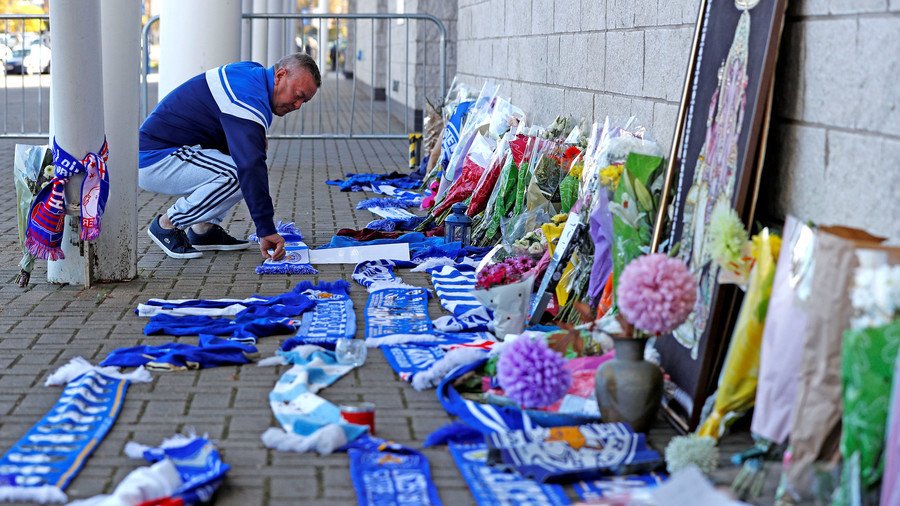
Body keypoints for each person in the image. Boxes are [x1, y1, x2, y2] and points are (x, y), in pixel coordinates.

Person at [138, 53, 321, 260]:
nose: (297, 105)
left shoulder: (253, 74)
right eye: (298, 95)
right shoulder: (248, 96)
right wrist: (266, 228)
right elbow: (251, 166)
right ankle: (167, 224)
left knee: (246, 154)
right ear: (280, 75)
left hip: (170, 151)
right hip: (153, 159)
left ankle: (204, 230)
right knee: (237, 173)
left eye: (303, 102)